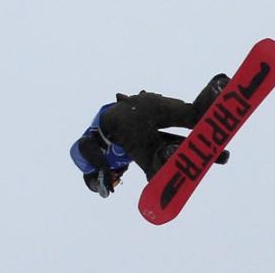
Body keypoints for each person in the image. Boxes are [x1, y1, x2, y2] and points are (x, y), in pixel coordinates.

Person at [69, 72, 231, 197]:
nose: (115, 179)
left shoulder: (85, 160)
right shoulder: (126, 155)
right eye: (116, 182)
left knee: (156, 173)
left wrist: (103, 169)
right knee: (195, 116)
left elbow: (85, 146)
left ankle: (167, 156)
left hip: (117, 119)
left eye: (108, 182)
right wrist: (210, 152)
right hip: (141, 104)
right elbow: (161, 139)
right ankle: (217, 89)